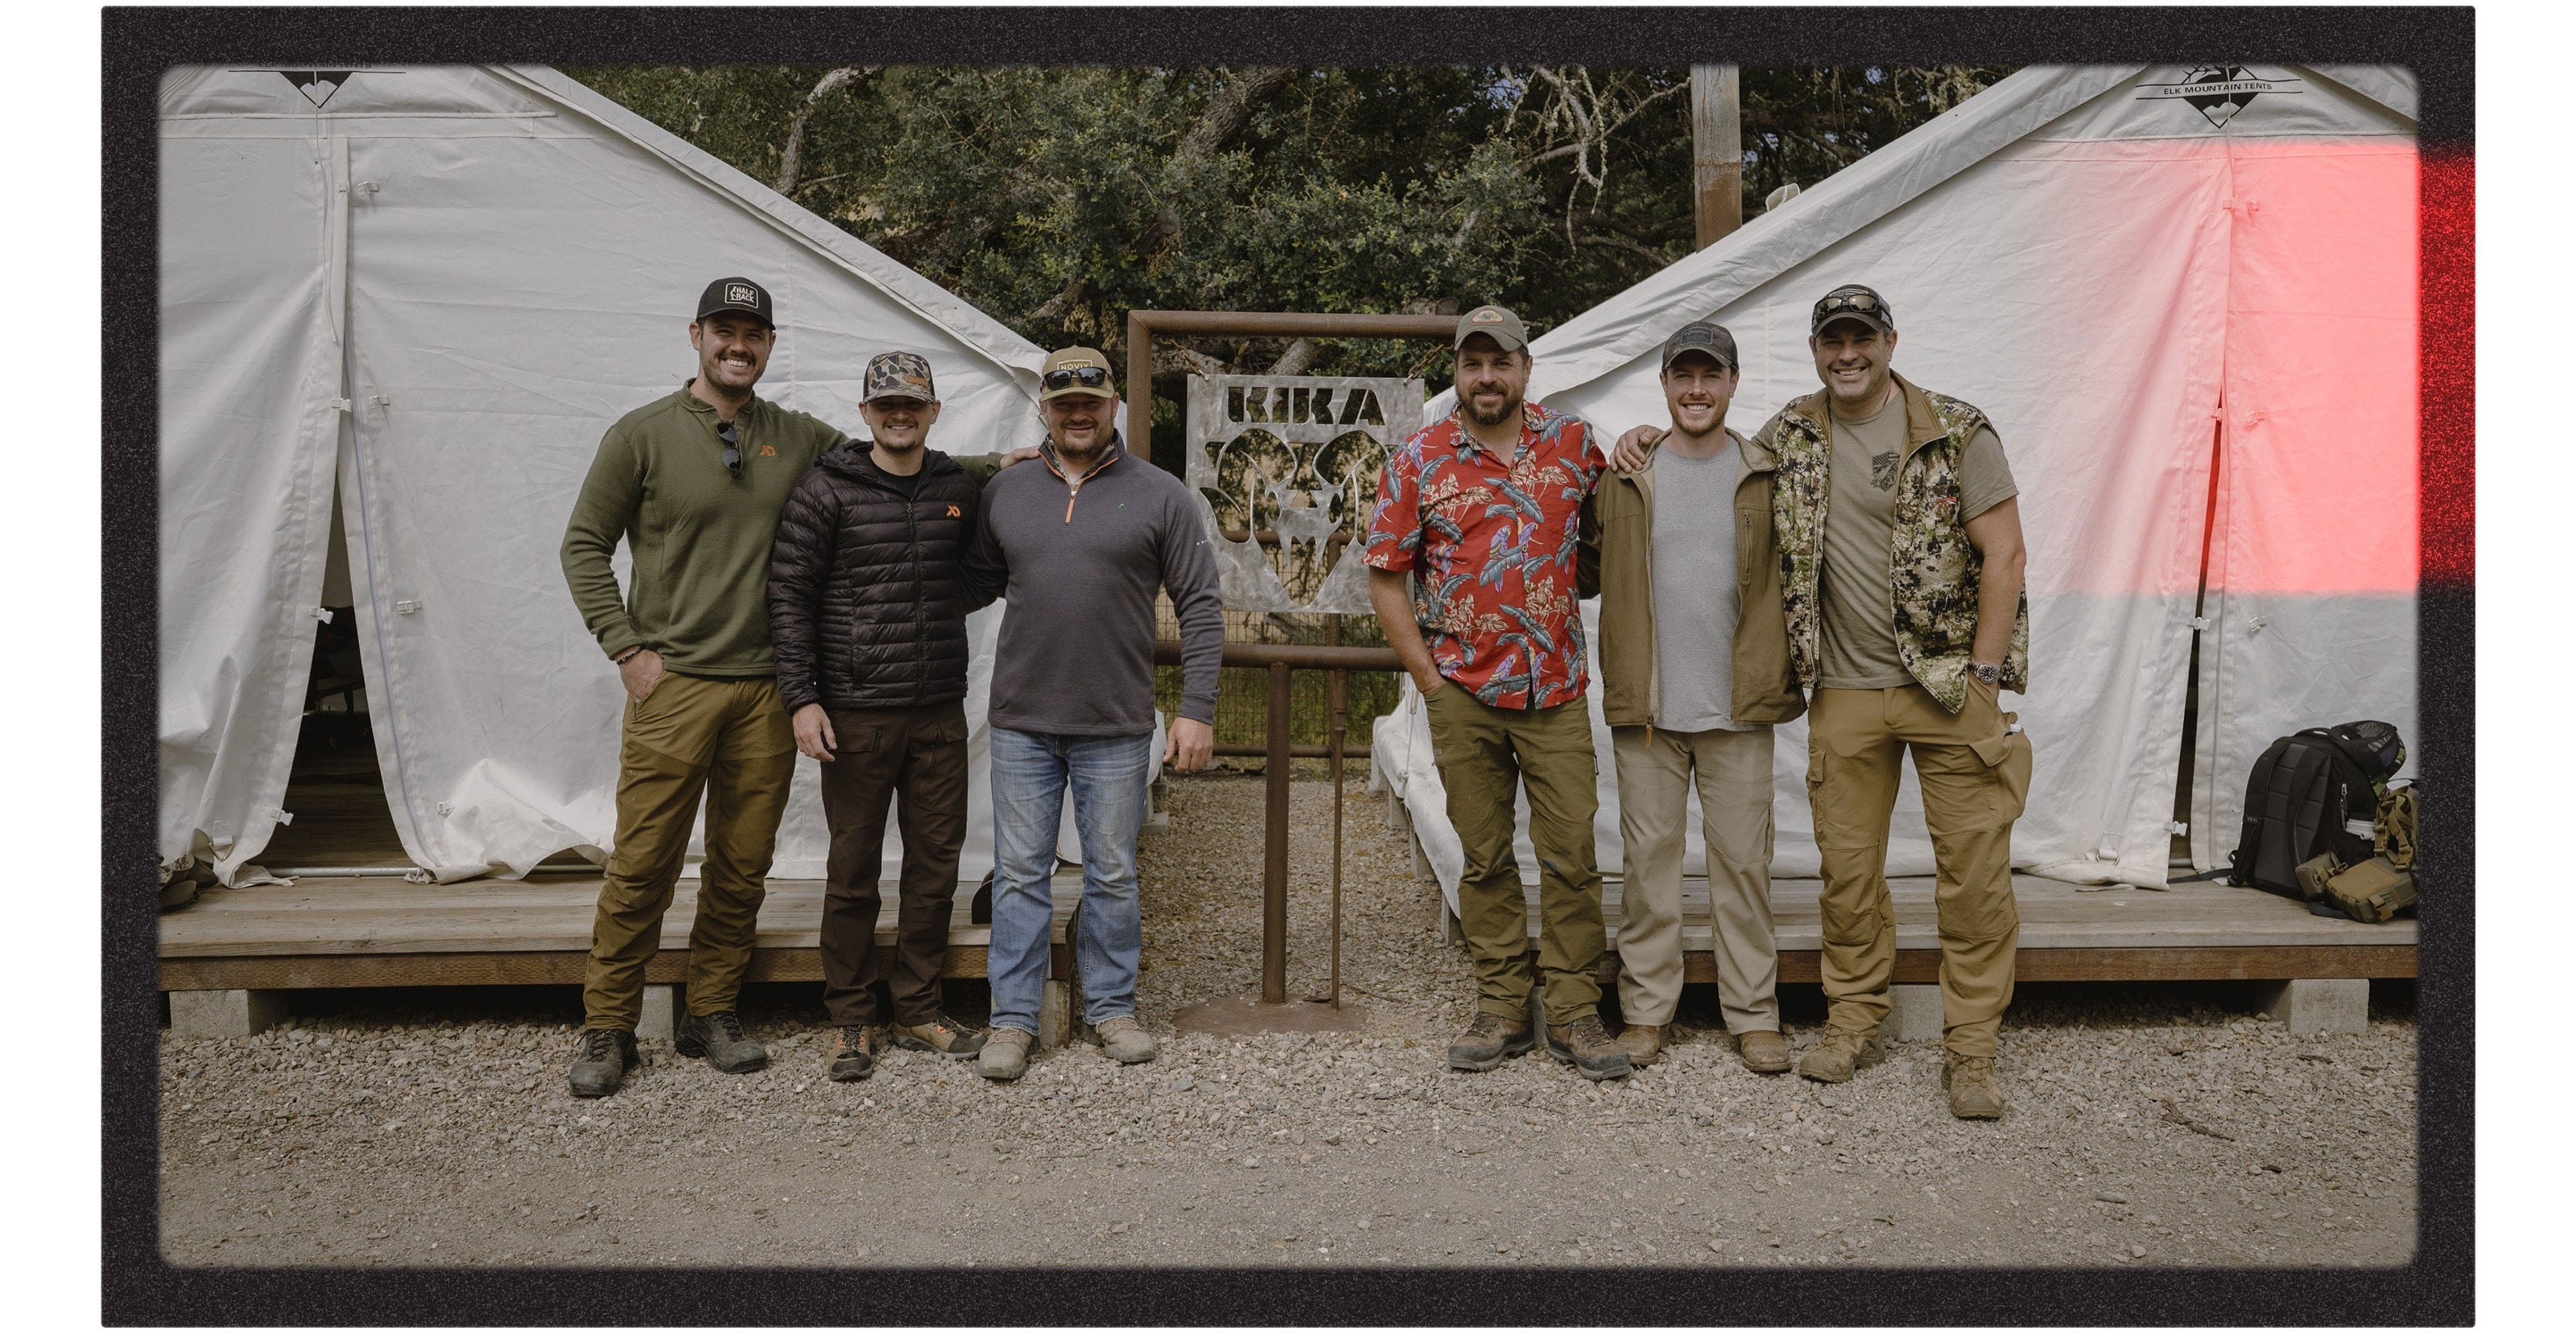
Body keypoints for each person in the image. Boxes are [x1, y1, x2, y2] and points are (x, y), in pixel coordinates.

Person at [1620, 285, 2032, 1119]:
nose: (1847, 354)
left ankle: (1972, 1053)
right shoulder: (1791, 434)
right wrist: (1639, 440)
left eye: (1861, 339)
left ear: (1888, 342)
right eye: (1831, 341)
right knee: (1847, 879)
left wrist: (1984, 677)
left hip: (1950, 688)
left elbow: (2006, 554)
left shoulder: (1956, 428)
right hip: (1842, 691)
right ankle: (1850, 1024)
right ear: (1814, 350)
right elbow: (1708, 455)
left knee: (1973, 880)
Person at [557, 278, 849, 1098]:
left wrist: (993, 465)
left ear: (768, 346)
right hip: (674, 685)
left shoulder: (794, 438)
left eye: (753, 333)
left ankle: (711, 1010)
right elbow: (583, 545)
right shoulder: (642, 436)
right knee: (643, 860)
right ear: (695, 336)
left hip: (765, 689)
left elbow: (889, 464)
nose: (738, 344)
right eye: (724, 329)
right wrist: (626, 648)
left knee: (741, 862)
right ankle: (609, 1025)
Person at [1364, 304, 1629, 1082]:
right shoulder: (1419, 458)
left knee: (1573, 853)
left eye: (1501, 361)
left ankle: (1577, 1010)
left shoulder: (1577, 447)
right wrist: (1426, 677)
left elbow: (1610, 536)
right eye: (1473, 363)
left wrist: (1643, 440)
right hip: (1463, 691)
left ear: (1525, 367)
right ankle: (1502, 1004)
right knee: (1482, 857)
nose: (1487, 377)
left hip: (1554, 688)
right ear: (1457, 370)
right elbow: (1385, 573)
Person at [963, 347, 1222, 1082]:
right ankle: (1012, 1020)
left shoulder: (1160, 494)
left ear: (1114, 408)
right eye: (1063, 402)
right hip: (1021, 718)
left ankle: (1111, 1007)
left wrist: (1196, 708)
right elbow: (973, 579)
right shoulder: (1006, 492)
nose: (1078, 414)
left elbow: (1200, 604)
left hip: (1115, 720)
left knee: (1111, 871)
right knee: (1018, 874)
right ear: (1043, 408)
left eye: (1091, 401)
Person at [767, 351, 1006, 1082]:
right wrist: (802, 698)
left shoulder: (956, 486)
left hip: (936, 711)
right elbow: (789, 597)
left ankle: (919, 1008)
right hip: (856, 712)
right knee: (852, 873)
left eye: (913, 404)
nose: (899, 415)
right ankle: (850, 1020)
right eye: (885, 405)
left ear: (934, 412)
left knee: (934, 870)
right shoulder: (826, 490)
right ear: (866, 412)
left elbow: (981, 571)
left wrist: (924, 610)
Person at [1577, 322, 1805, 1075]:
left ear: (1735, 384)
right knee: (1649, 868)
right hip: (1649, 711)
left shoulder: (1768, 473)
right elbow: (1581, 566)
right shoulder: (1625, 475)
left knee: (1744, 865)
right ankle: (1645, 1015)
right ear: (1666, 385)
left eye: (1712, 376)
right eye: (1684, 377)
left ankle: (1754, 1015)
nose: (1697, 390)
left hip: (1739, 708)